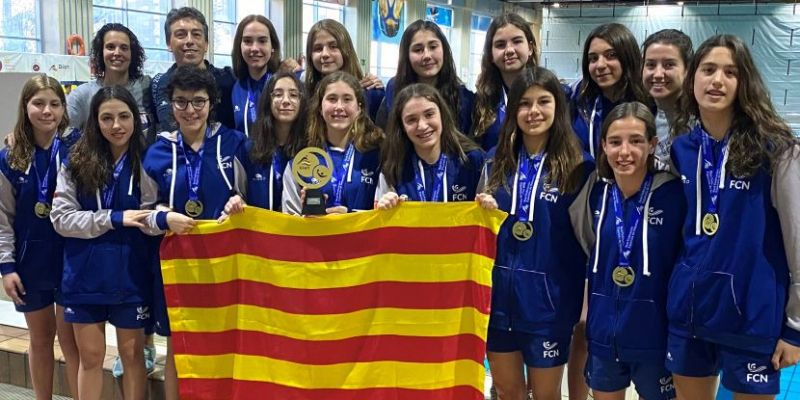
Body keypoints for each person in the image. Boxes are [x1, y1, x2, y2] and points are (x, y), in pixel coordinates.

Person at [666, 34, 800, 400]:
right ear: (692, 79)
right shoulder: (682, 148)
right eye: (708, 70)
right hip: (690, 311)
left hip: (752, 316)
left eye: (730, 72)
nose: (717, 80)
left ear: (745, 83)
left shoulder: (777, 147)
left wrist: (795, 326)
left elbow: (797, 238)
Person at [478, 67, 594, 400]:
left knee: (546, 396)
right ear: (513, 110)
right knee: (507, 391)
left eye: (544, 101)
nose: (534, 112)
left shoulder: (578, 168)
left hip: (549, 307)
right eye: (524, 103)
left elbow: (589, 241)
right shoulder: (493, 164)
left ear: (558, 107)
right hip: (498, 303)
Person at [143, 65, 248, 400]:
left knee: (227, 344)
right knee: (180, 346)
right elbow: (145, 209)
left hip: (227, 266)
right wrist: (163, 217)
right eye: (181, 102)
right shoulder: (157, 150)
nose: (190, 110)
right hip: (179, 264)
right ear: (170, 106)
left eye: (198, 102)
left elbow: (253, 200)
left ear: (211, 102)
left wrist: (239, 203)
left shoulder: (235, 144)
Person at [51, 86, 162, 400]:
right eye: (107, 118)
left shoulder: (147, 161)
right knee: (90, 358)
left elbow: (149, 215)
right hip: (84, 276)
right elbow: (61, 219)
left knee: (132, 358)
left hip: (131, 275)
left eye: (124, 116)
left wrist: (162, 217)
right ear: (95, 122)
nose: (117, 125)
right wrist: (113, 218)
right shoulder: (75, 161)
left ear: (136, 118)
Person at [572, 102, 684, 400]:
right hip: (603, 337)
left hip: (655, 338)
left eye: (636, 141)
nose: (624, 152)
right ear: (603, 147)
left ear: (652, 145)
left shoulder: (673, 195)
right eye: (615, 142)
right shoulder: (595, 194)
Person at [0, 74, 80, 400]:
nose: (47, 111)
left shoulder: (77, 151)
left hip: (71, 258)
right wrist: (6, 267)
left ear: (63, 109)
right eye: (39, 103)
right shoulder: (9, 158)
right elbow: (3, 218)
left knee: (72, 341)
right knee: (40, 338)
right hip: (31, 263)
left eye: (55, 104)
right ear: (25, 107)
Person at [283, 71, 383, 215]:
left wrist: (349, 215)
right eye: (332, 99)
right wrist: (308, 216)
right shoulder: (301, 163)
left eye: (347, 99)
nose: (339, 107)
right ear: (320, 107)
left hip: (363, 237)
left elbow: (384, 216)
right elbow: (289, 222)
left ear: (359, 108)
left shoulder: (376, 157)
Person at [376, 83, 484, 208]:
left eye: (429, 114)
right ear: (402, 127)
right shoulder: (393, 168)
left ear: (442, 115)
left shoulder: (473, 161)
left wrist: (489, 204)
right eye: (411, 120)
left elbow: (487, 216)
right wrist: (384, 208)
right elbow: (383, 223)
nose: (422, 126)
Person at [224, 72, 307, 214]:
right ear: (268, 100)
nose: (286, 100)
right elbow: (240, 195)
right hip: (260, 234)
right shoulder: (248, 149)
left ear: (302, 101)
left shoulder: (311, 149)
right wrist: (235, 203)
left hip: (299, 233)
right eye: (278, 94)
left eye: (293, 95)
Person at [377, 20, 475, 136]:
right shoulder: (394, 88)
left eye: (433, 47)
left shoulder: (464, 97)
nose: (427, 56)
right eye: (418, 50)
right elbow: (384, 135)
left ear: (444, 50)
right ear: (406, 55)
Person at [570, 23, 651, 159]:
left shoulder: (650, 102)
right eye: (593, 58)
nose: (600, 65)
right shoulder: (577, 99)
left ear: (628, 57)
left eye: (611, 55)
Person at [151, 7, 236, 133]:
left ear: (206, 43)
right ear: (169, 43)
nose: (189, 41)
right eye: (181, 35)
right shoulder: (158, 85)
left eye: (196, 34)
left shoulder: (229, 80)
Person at [66, 23, 154, 145]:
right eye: (110, 47)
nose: (117, 53)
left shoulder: (148, 87)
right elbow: (62, 134)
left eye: (124, 48)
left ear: (132, 53)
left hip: (143, 163)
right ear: (100, 52)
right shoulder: (83, 95)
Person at [472, 13, 536, 151]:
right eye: (500, 45)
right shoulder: (481, 103)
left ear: (530, 48)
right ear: (490, 55)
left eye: (517, 41)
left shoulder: (549, 96)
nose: (509, 50)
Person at [304, 19, 384, 120]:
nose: (325, 54)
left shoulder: (371, 94)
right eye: (318, 49)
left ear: (346, 50)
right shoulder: (305, 96)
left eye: (333, 46)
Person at [641, 29, 693, 166]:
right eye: (651, 65)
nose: (658, 74)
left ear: (687, 70)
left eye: (669, 64)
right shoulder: (640, 116)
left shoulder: (703, 120)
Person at [230, 14, 282, 136]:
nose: (254, 48)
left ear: (272, 47)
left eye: (262, 41)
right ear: (240, 46)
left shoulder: (284, 85)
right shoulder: (236, 87)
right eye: (247, 41)